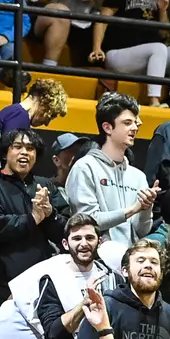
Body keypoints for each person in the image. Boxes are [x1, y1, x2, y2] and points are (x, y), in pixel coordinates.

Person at [0, 212, 106, 339]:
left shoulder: (109, 274)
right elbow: (53, 330)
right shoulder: (54, 271)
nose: (84, 243)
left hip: (41, 333)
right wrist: (85, 303)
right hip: (14, 330)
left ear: (99, 241)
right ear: (65, 244)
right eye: (77, 238)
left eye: (89, 237)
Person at [0, 128, 69, 331]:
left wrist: (50, 214)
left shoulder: (45, 186)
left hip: (41, 284)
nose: (24, 152)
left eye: (30, 148)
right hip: (0, 284)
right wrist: (33, 218)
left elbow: (66, 232)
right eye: (17, 147)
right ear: (5, 152)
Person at [66, 93, 157, 249]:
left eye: (135, 123)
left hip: (130, 262)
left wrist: (145, 209)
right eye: (127, 123)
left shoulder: (138, 176)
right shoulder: (85, 167)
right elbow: (87, 220)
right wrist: (133, 209)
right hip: (94, 261)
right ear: (107, 127)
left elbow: (141, 231)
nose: (134, 128)